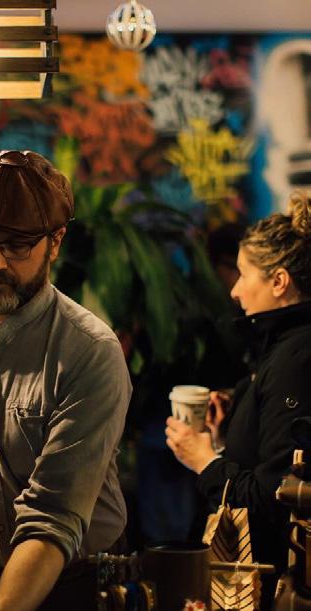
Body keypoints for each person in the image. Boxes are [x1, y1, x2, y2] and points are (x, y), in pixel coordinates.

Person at [0, 150, 132, 611]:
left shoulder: (89, 351)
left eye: (16, 246)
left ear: (55, 242)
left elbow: (52, 517)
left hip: (74, 582)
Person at [165, 190, 311, 607]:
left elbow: (277, 500)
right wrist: (223, 438)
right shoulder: (283, 348)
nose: (234, 290)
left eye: (244, 275)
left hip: (270, 588)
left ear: (279, 282)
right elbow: (270, 461)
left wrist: (204, 461)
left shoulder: (296, 358)